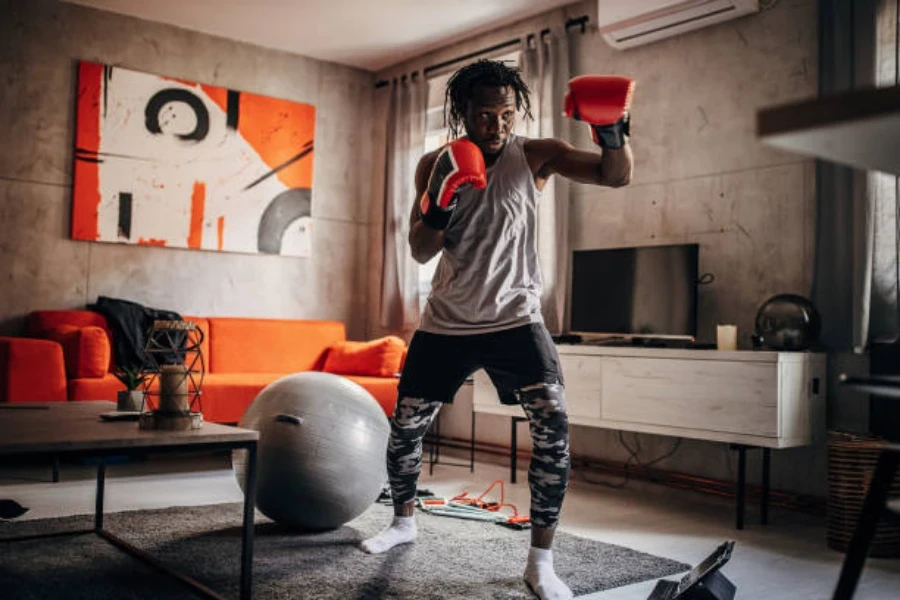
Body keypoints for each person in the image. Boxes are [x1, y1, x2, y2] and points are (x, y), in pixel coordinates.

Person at [360, 59, 634, 600]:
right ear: (462, 112)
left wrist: (611, 131)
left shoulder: (537, 155)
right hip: (447, 322)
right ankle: (403, 521)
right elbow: (419, 251)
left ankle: (541, 562)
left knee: (553, 433)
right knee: (407, 430)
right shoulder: (432, 163)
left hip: (516, 319)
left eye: (507, 114)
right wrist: (441, 195)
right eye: (486, 115)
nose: (498, 125)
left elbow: (615, 174)